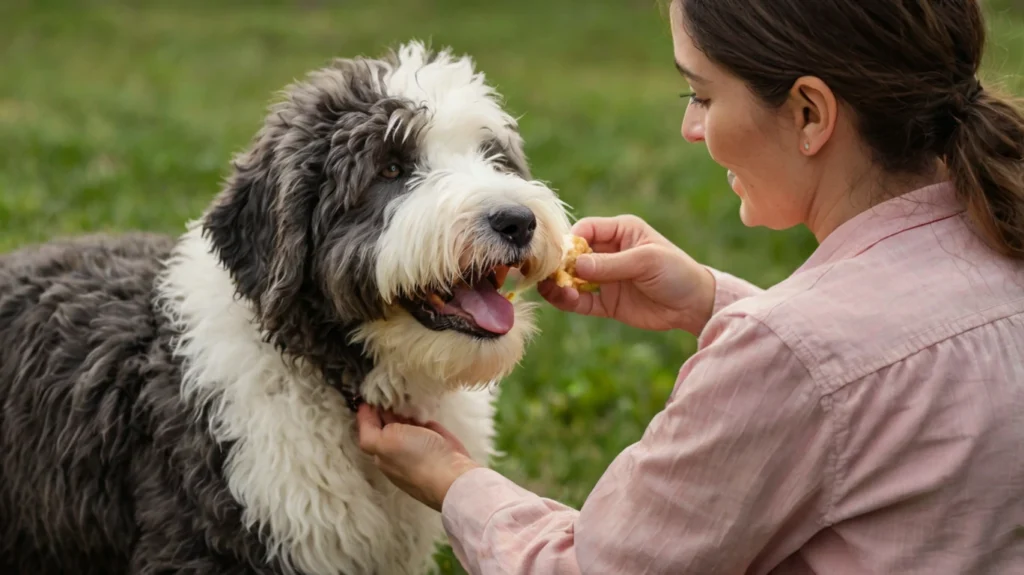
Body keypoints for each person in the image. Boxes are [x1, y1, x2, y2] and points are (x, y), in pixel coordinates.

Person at [356, 0, 1024, 573]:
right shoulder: (1003, 252)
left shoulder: (786, 356)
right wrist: (711, 300)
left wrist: (455, 482)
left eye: (701, 96)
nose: (690, 128)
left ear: (810, 114)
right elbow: (874, 375)